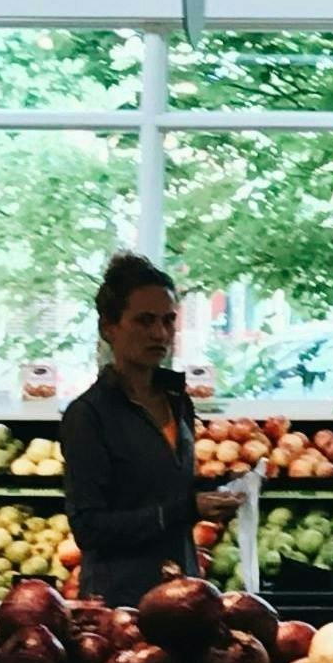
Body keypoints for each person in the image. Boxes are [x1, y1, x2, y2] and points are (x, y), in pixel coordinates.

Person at [60, 252, 242, 605]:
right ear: (108, 328)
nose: (160, 333)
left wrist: (224, 487)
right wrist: (189, 509)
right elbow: (89, 529)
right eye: (144, 321)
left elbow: (166, 489)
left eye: (168, 321)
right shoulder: (88, 415)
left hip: (183, 595)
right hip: (121, 605)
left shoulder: (178, 401)